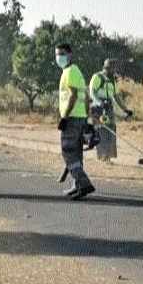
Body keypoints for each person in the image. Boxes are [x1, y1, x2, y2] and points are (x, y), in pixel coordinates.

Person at [55, 43, 94, 199]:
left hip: (71, 118)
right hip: (80, 118)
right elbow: (85, 97)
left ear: (70, 54)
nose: (59, 57)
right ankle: (76, 185)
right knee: (77, 154)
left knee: (69, 153)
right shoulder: (77, 71)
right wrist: (86, 118)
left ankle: (83, 183)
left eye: (62, 54)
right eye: (57, 54)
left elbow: (73, 95)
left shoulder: (69, 72)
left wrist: (64, 116)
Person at [89, 58, 134, 162]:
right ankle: (102, 157)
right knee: (102, 132)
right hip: (99, 108)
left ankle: (108, 157)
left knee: (111, 131)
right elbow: (92, 92)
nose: (115, 71)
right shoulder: (97, 77)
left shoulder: (112, 81)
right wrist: (100, 103)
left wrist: (125, 110)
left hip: (108, 107)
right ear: (107, 68)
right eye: (113, 69)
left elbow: (116, 97)